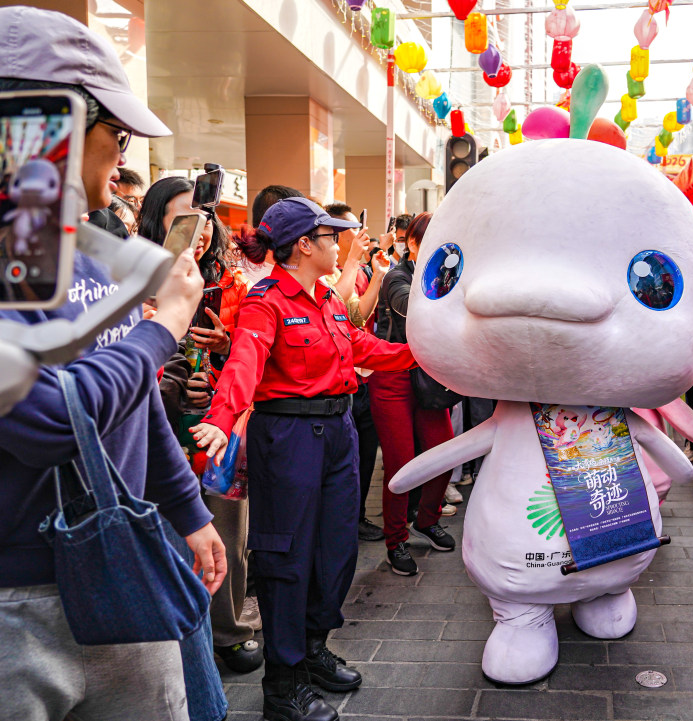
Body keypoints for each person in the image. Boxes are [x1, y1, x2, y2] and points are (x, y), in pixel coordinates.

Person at [0, 7, 226, 720]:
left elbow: (135, 404)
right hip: (17, 603)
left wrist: (187, 509)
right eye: (116, 136)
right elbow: (44, 419)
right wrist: (163, 328)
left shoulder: (88, 249)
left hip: (119, 568)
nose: (123, 162)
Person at [192, 197, 415, 721]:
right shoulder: (264, 301)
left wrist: (422, 352)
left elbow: (361, 346)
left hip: (337, 433)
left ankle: (312, 649)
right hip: (289, 437)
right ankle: (282, 683)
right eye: (331, 236)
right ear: (304, 245)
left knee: (337, 550)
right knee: (285, 558)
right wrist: (222, 420)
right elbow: (244, 362)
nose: (339, 244)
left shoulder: (326, 299)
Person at [138, 176, 262, 675]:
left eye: (205, 216)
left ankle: (229, 630)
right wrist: (172, 383)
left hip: (222, 430)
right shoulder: (137, 281)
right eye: (184, 215)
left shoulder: (230, 284)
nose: (201, 227)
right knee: (171, 534)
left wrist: (224, 354)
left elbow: (252, 355)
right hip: (158, 431)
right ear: (156, 222)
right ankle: (178, 636)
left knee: (227, 531)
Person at [369, 212, 457, 576]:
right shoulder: (397, 276)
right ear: (414, 244)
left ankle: (427, 519)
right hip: (392, 376)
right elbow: (414, 310)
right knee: (401, 463)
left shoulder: (449, 275)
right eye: (430, 240)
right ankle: (396, 540)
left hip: (429, 376)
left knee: (444, 451)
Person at [323, 201, 387, 542]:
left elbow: (359, 316)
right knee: (344, 462)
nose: (357, 234)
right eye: (349, 229)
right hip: (339, 382)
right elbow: (335, 307)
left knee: (364, 457)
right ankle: (342, 523)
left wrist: (375, 273)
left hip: (363, 375)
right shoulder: (325, 272)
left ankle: (357, 517)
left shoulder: (354, 270)